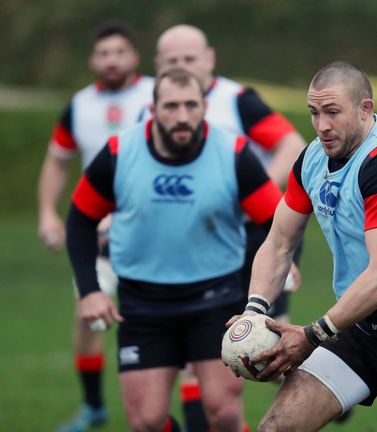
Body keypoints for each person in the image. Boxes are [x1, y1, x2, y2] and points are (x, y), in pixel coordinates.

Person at [227, 61, 377, 431]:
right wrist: (254, 311)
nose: (322, 125)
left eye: (333, 112)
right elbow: (278, 244)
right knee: (276, 429)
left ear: (365, 108)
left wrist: (311, 335)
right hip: (357, 322)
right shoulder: (311, 158)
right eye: (314, 113)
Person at [66, 68, 284, 432]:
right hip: (143, 303)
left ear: (204, 107)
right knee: (146, 421)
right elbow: (79, 219)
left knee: (224, 413)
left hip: (216, 301)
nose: (182, 116)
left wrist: (257, 291)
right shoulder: (120, 152)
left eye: (190, 105)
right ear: (152, 107)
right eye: (171, 106)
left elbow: (278, 223)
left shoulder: (232, 153)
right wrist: (89, 290)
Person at [153, 24, 306, 430]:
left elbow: (291, 145)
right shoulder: (154, 108)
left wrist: (248, 196)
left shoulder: (237, 100)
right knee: (211, 354)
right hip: (198, 247)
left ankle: (327, 383)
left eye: (189, 59)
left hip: (259, 238)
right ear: (157, 66)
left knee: (261, 347)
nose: (181, 66)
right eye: (171, 61)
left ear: (209, 59)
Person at [36, 21, 154, 432]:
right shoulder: (80, 104)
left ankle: (196, 407)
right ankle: (93, 408)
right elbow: (57, 158)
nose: (112, 60)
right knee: (88, 317)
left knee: (174, 321)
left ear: (134, 57)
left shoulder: (158, 96)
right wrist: (48, 212)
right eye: (104, 53)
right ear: (93, 60)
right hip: (100, 235)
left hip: (153, 234)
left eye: (120, 52)